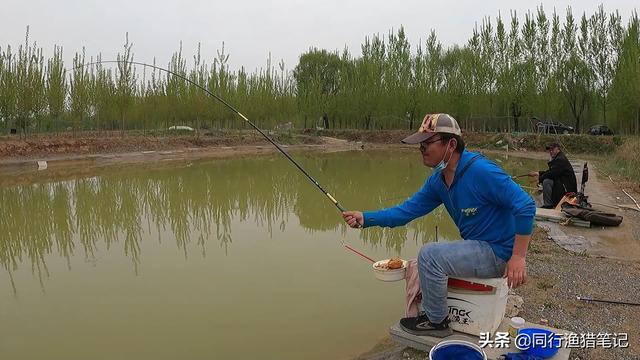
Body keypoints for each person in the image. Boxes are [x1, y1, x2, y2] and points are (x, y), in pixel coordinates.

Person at [342, 114, 536, 337]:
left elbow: (526, 206)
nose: (422, 149)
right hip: (479, 247)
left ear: (451, 144)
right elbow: (406, 212)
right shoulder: (438, 181)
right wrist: (365, 218)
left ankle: (436, 322)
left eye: (427, 143)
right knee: (433, 255)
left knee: (430, 255)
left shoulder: (482, 171)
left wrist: (518, 257)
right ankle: (436, 312)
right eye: (420, 145)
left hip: (500, 252)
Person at [527, 142, 577, 209]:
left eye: (552, 150)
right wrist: (537, 173)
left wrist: (539, 179)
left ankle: (548, 205)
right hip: (563, 184)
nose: (551, 152)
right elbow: (551, 172)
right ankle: (550, 203)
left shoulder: (560, 159)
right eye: (550, 150)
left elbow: (551, 174)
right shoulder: (558, 157)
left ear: (558, 149)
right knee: (547, 180)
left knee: (546, 181)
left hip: (567, 190)